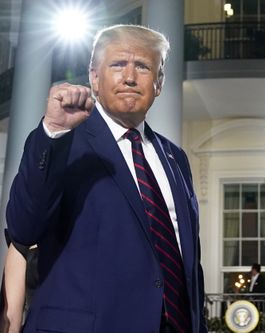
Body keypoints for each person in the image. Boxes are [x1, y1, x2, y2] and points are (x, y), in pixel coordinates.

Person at [6, 24, 207, 333]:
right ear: (94, 78)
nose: (129, 77)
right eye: (117, 65)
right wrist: (54, 132)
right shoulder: (63, 140)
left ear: (159, 83)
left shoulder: (175, 157)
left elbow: (188, 261)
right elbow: (24, 226)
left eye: (142, 66)